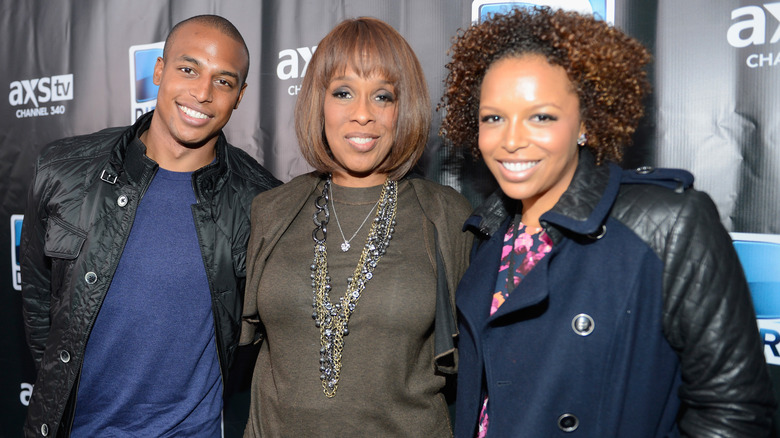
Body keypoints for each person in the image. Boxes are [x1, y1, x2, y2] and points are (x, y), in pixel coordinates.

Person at [439, 7, 776, 437]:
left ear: (585, 121)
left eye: (541, 116)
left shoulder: (667, 225)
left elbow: (736, 412)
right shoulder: (486, 237)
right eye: (493, 118)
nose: (510, 140)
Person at [20, 15, 279, 437]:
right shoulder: (64, 172)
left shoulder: (264, 204)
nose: (202, 92)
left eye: (224, 81)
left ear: (240, 96)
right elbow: (37, 305)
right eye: (188, 69)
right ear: (159, 71)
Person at [240, 17, 472, 436]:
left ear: (404, 108)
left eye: (382, 96)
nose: (362, 114)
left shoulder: (449, 218)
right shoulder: (270, 212)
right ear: (318, 101)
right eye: (343, 92)